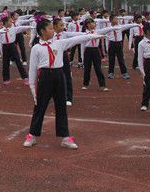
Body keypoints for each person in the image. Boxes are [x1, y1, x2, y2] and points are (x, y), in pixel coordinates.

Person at [23, 19, 104, 149]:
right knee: (40, 107)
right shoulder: (36, 48)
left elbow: (78, 39)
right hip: (44, 77)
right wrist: (32, 88)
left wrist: (95, 36)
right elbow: (32, 70)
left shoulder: (59, 43)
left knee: (61, 106)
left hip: (59, 76)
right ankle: (32, 135)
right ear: (42, 31)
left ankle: (65, 137)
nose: (52, 30)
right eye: (50, 28)